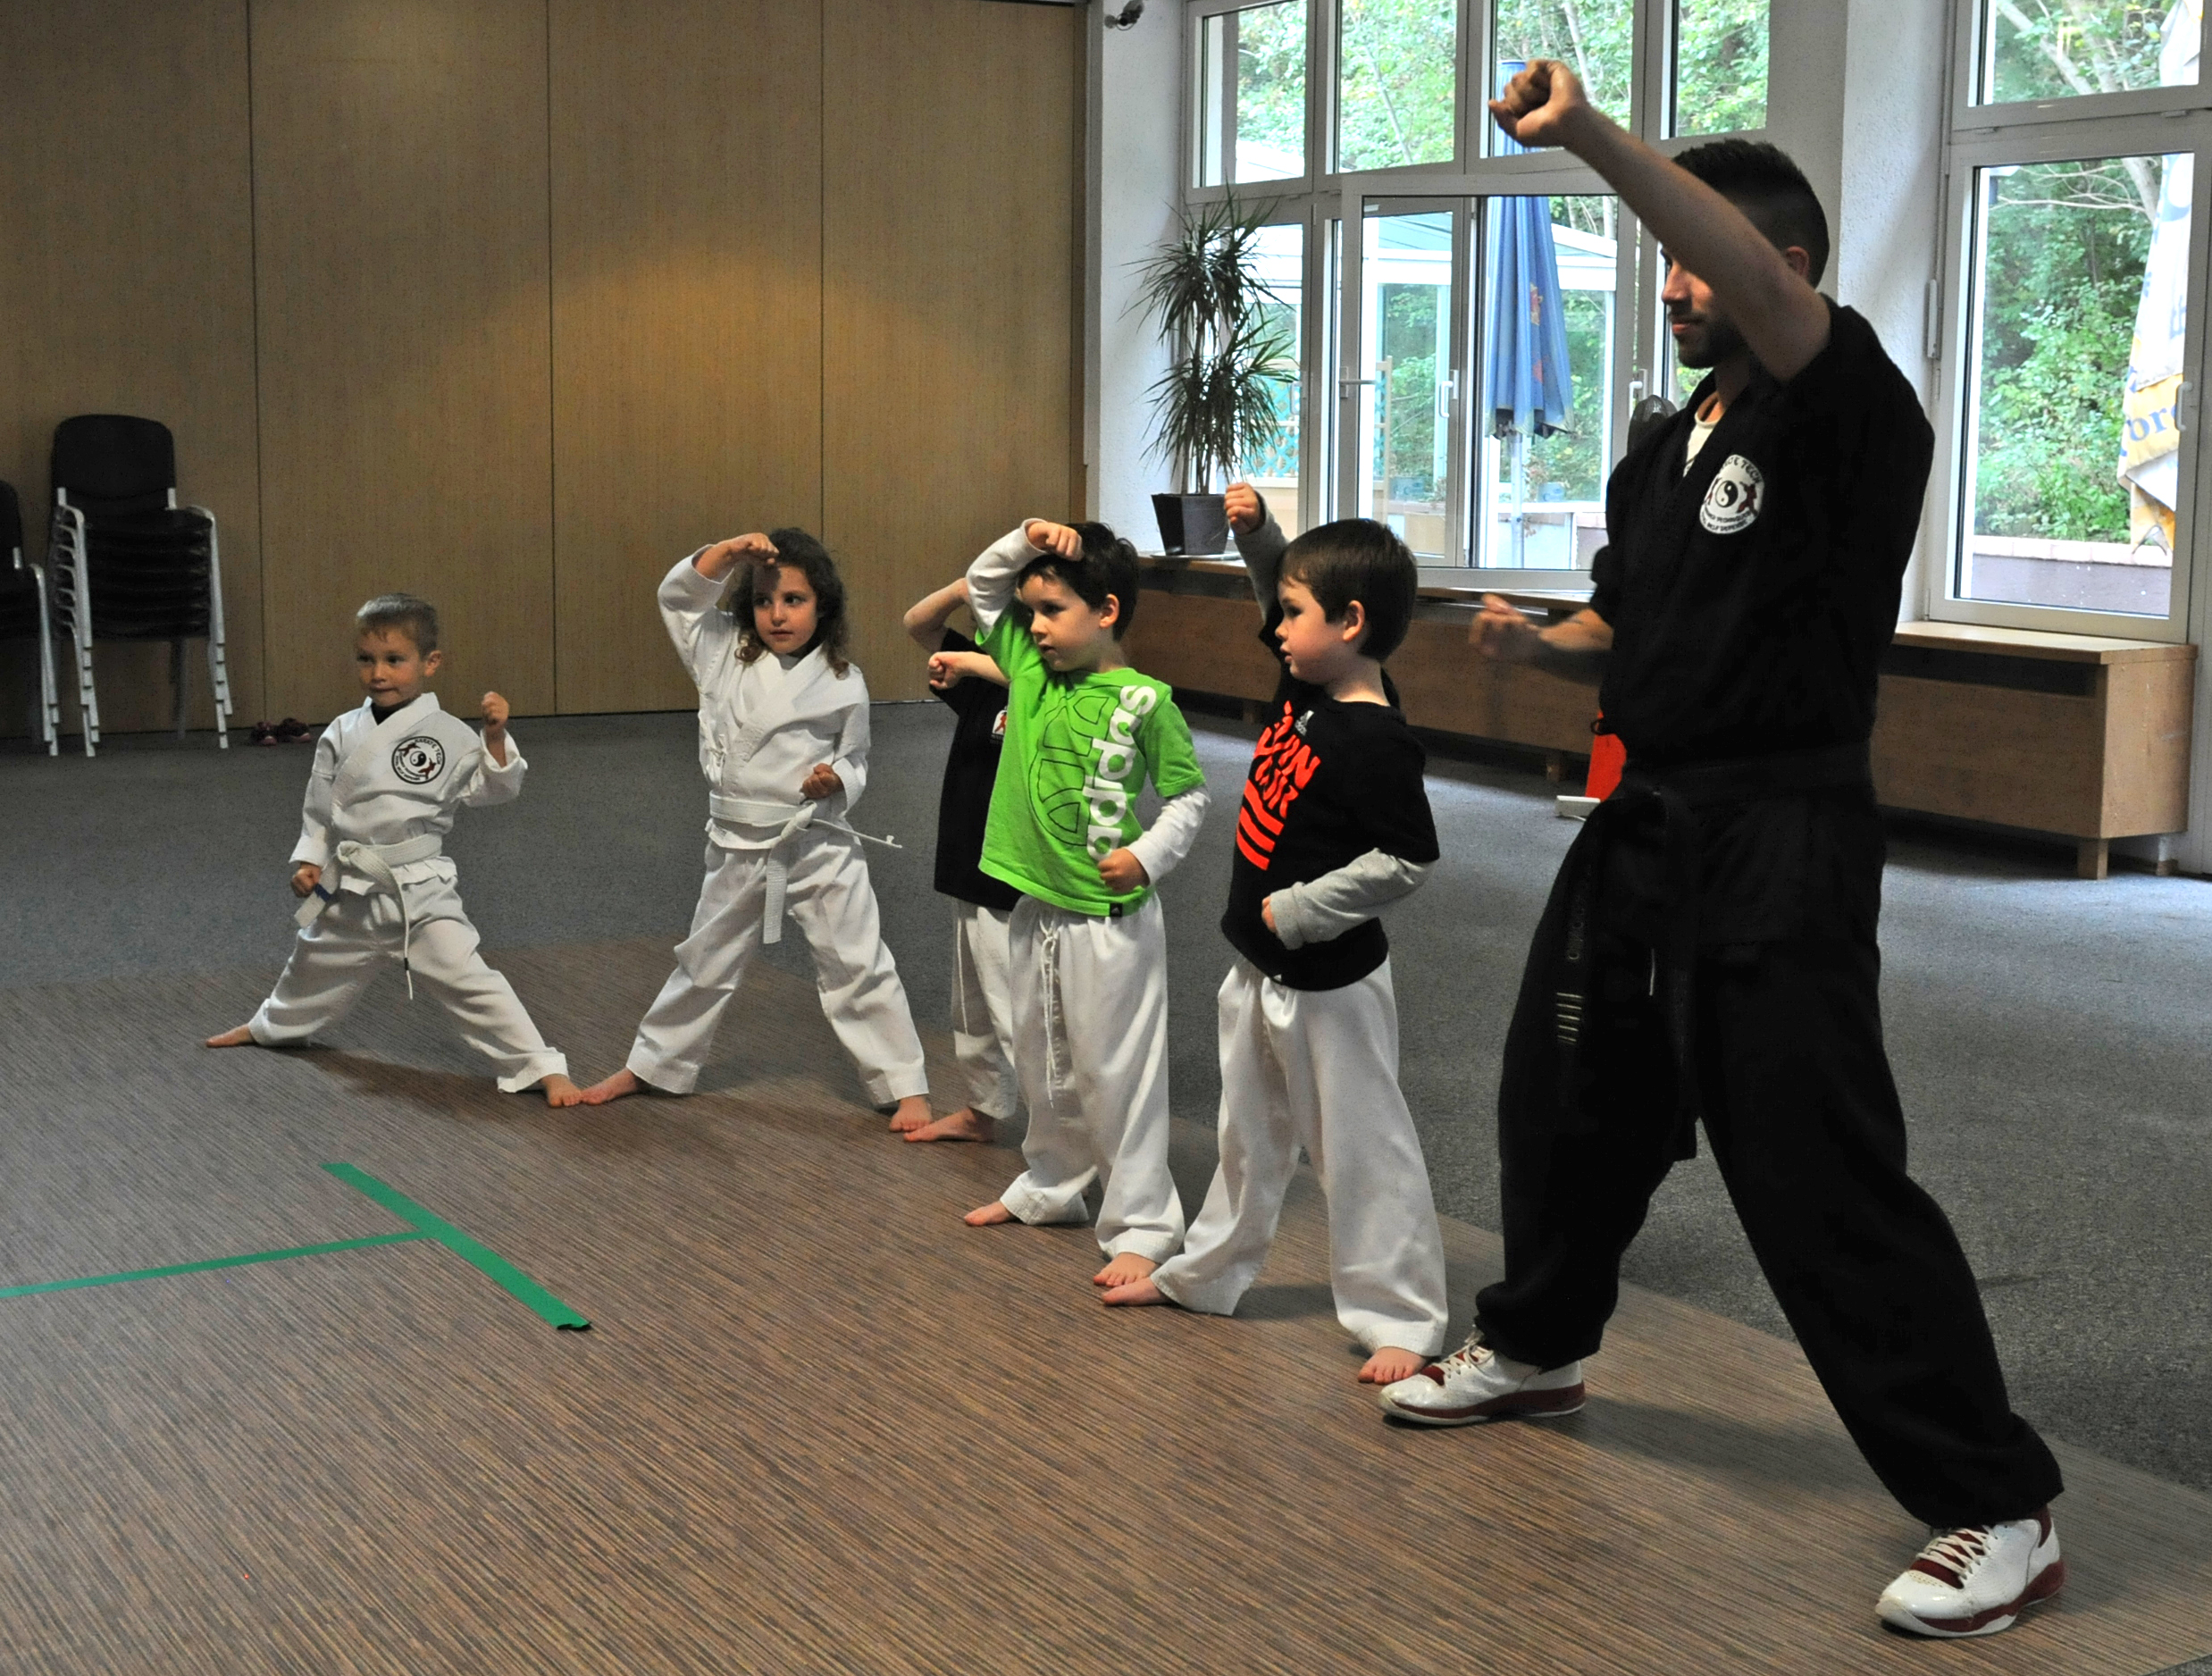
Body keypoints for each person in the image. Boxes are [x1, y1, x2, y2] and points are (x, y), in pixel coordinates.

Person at [1376, 63, 2067, 1642]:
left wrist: (1590, 137)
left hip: (1781, 834)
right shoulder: (1668, 435)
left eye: (1694, 259)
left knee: (1810, 1165)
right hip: (1644, 820)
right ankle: (1538, 1346)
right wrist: (1546, 650)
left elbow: (1751, 276)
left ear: (1784, 271)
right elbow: (1640, 614)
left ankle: (1995, 1496)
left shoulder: (1847, 407)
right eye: (1668, 264)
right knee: (1567, 1099)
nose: (1675, 285)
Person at [1104, 499, 1448, 1386]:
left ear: (1351, 623)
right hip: (1256, 969)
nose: (1278, 630)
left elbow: (1408, 858)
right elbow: (1279, 591)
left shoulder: (1377, 737)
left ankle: (1401, 1314)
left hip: (1331, 985)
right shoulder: (1310, 684)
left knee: (1359, 1148)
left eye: (1297, 615)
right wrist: (1261, 541)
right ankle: (1206, 1274)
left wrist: (1300, 910)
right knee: (1247, 1136)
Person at [576, 531, 932, 1130]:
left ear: (823, 606)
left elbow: (858, 758)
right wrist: (730, 553)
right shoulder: (720, 649)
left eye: (794, 600)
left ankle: (905, 1084)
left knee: (857, 960)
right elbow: (678, 597)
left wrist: (836, 779)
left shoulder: (845, 681)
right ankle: (653, 1065)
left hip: (816, 840)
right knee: (705, 958)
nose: (778, 614)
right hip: (738, 843)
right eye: (765, 600)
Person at [959, 518, 1209, 1289]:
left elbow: (1189, 797)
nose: (1034, 627)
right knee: (1043, 1057)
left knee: (1114, 1073)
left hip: (1112, 925)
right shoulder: (1029, 674)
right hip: (1036, 907)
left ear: (1105, 611)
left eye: (1053, 610)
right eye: (1030, 611)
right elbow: (980, 586)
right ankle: (1050, 1184)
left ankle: (1142, 1222)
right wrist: (1025, 536)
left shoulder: (1145, 700)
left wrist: (1146, 855)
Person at [206, 593, 579, 1105]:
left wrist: (494, 738)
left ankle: (539, 1064)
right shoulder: (342, 730)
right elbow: (319, 805)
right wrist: (311, 858)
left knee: (468, 977)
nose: (378, 673)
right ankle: (272, 1026)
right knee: (312, 963)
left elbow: (493, 791)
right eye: (366, 659)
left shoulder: (451, 735)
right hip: (353, 886)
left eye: (394, 660)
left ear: (431, 663)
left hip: (418, 892)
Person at [898, 576, 1021, 1144]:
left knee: (1016, 1010)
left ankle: (1062, 1135)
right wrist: (960, 589)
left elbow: (1034, 676)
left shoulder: (1049, 686)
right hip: (969, 865)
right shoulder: (981, 684)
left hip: (1014, 879)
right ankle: (984, 1106)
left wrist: (969, 664)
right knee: (970, 1006)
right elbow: (916, 623)